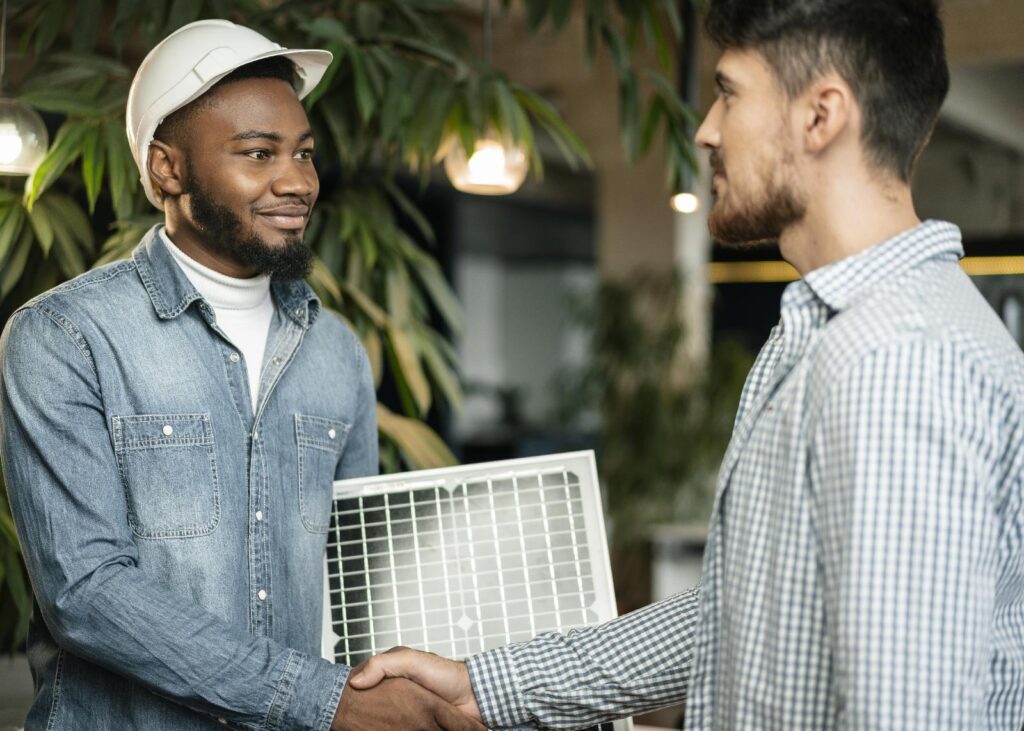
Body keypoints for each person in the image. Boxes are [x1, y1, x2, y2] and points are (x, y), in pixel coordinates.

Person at [349, 0, 1024, 728]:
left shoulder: (899, 364)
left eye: (729, 91)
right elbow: (740, 611)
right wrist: (488, 684)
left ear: (821, 116)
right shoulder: (831, 335)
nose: (704, 128)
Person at [0, 19, 481, 731]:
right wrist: (325, 700)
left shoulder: (338, 351)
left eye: (305, 154)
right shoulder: (64, 337)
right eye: (258, 154)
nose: (297, 183)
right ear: (168, 169)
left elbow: (357, 579)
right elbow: (87, 592)